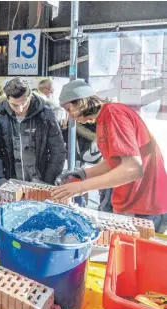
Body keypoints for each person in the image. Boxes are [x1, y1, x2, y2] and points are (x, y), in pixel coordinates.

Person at [52, 80, 167, 232]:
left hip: (143, 206)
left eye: (69, 109)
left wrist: (80, 187)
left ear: (80, 102)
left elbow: (133, 169)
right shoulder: (104, 119)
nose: (70, 116)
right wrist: (84, 174)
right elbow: (116, 161)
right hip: (132, 202)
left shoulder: (114, 114)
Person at [0, 77, 66, 194]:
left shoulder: (46, 115)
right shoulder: (0, 117)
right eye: (14, 105)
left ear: (30, 97)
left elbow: (58, 151)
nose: (20, 110)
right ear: (7, 100)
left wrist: (48, 182)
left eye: (24, 104)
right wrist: (0, 178)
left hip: (41, 182)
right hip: (11, 183)